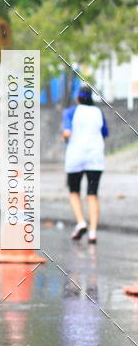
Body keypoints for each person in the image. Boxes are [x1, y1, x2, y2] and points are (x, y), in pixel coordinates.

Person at [62, 82, 108, 244]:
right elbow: (104, 133)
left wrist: (65, 138)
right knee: (92, 194)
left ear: (77, 98)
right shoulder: (98, 112)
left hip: (75, 157)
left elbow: (67, 133)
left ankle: (81, 222)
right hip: (95, 158)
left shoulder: (70, 112)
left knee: (74, 191)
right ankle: (93, 233)